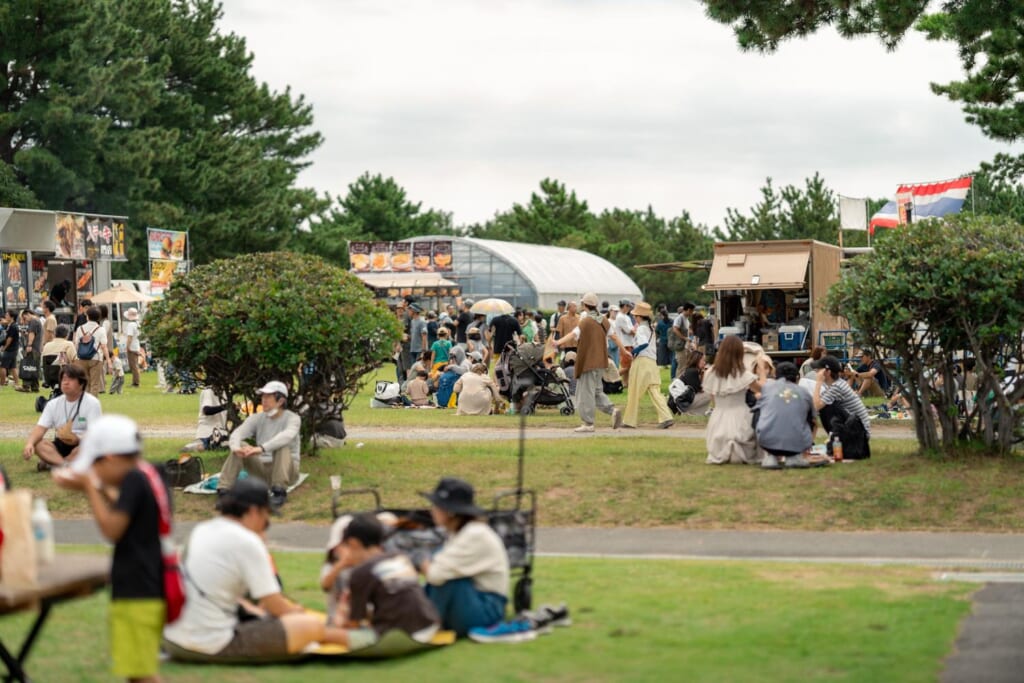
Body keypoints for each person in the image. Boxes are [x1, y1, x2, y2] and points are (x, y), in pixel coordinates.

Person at [163, 478, 352, 661]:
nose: (266, 522)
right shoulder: (246, 541)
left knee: (278, 618)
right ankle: (360, 641)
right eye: (266, 515)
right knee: (310, 625)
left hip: (173, 637)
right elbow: (274, 604)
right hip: (208, 643)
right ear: (254, 511)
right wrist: (295, 612)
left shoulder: (202, 530)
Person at [54, 414, 168, 682]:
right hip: (147, 581)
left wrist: (89, 487)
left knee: (142, 675)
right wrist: (98, 487)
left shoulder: (132, 481)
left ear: (111, 458)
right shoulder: (147, 474)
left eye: (95, 465)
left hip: (138, 587)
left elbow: (111, 530)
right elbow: (124, 507)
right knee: (136, 671)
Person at [416, 477, 509, 637]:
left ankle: (426, 623)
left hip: (487, 607)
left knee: (446, 577)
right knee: (440, 565)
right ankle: (420, 618)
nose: (432, 510)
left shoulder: (474, 534)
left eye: (436, 506)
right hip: (475, 599)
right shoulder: (460, 532)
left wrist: (417, 559)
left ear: (450, 512)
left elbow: (435, 575)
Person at [332, 514, 441, 648]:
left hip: (400, 636)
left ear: (353, 543)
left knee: (325, 633)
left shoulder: (360, 572)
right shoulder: (399, 557)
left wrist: (341, 614)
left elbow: (353, 625)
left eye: (346, 546)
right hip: (429, 626)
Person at [218, 380, 301, 510]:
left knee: (282, 446)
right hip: (262, 469)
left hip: (287, 471)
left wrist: (261, 448)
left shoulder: (293, 418)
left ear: (280, 401)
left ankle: (279, 492)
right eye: (263, 396)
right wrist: (236, 448)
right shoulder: (257, 418)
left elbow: (286, 436)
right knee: (240, 444)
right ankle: (224, 492)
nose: (263, 400)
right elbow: (237, 433)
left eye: (268, 397)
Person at [554, 292, 622, 433]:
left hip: (588, 361)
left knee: (585, 392)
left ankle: (588, 423)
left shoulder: (585, 321)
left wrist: (557, 342)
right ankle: (613, 410)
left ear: (584, 305)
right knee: (596, 391)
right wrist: (625, 351)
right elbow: (613, 336)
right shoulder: (603, 319)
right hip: (601, 361)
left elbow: (573, 334)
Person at [704, 335, 769, 465]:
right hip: (741, 414)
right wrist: (762, 371)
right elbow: (762, 389)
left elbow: (712, 397)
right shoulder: (742, 374)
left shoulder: (710, 372)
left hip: (718, 417)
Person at [23, 364, 102, 469]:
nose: (66, 382)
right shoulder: (53, 404)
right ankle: (64, 464)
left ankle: (53, 462)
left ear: (81, 383)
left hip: (81, 443)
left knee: (88, 448)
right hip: (60, 444)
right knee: (38, 444)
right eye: (63, 379)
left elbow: (96, 433)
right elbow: (40, 428)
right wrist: (30, 444)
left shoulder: (92, 403)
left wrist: (77, 438)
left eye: (71, 379)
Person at [621, 302, 674, 429]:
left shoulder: (640, 329)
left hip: (641, 362)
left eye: (635, 316)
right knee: (654, 390)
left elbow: (643, 344)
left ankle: (629, 421)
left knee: (634, 391)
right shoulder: (650, 328)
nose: (634, 317)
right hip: (652, 362)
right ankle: (666, 417)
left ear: (639, 316)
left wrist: (632, 352)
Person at [755, 362, 816, 469]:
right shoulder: (804, 392)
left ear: (775, 376)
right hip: (798, 443)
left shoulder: (767, 388)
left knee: (758, 411)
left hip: (767, 441)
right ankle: (795, 457)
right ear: (797, 377)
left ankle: (770, 457)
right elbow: (813, 420)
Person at [811, 355, 872, 460]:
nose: (816, 373)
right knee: (827, 405)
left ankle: (835, 440)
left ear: (827, 372)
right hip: (859, 430)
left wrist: (818, 382)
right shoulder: (837, 384)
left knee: (826, 408)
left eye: (819, 370)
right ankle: (834, 439)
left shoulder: (837, 387)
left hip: (859, 433)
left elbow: (816, 406)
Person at [74, 306, 111, 396]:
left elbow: (76, 344)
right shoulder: (101, 329)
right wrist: (109, 361)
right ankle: (92, 405)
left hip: (81, 359)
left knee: (85, 384)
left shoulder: (80, 329)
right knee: (95, 384)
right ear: (99, 317)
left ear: (87, 316)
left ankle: (84, 405)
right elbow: (104, 346)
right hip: (96, 359)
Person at [182, 386, 229, 452]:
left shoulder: (225, 392)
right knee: (213, 445)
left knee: (226, 444)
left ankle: (205, 445)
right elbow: (207, 410)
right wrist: (226, 406)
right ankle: (195, 446)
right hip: (208, 431)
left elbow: (222, 414)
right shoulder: (208, 391)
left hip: (221, 431)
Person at [17, 307, 42, 392]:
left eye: (24, 318)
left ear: (27, 314)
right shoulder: (37, 320)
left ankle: (26, 386)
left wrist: (29, 345)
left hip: (32, 348)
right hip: (37, 348)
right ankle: (35, 387)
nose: (25, 320)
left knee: (27, 365)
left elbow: (32, 334)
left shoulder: (33, 321)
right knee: (34, 367)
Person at [613, 300, 637, 387]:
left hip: (629, 343)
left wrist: (632, 331)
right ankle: (612, 378)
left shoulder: (626, 317)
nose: (630, 308)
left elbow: (630, 330)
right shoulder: (620, 317)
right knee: (626, 366)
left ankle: (625, 383)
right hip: (624, 343)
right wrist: (633, 331)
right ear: (625, 306)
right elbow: (629, 330)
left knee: (628, 366)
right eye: (629, 306)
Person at [123, 307, 143, 388]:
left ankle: (136, 382)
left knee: (133, 366)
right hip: (136, 346)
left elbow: (129, 337)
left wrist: (127, 347)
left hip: (132, 347)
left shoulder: (131, 325)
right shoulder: (137, 324)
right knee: (135, 365)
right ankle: (135, 381)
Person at [0, 309, 19, 387]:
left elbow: (9, 339)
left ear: (12, 317)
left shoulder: (13, 326)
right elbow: (4, 321)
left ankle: (2, 383)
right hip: (14, 349)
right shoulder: (11, 325)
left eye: (7, 315)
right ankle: (17, 383)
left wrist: (4, 347)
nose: (5, 316)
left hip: (10, 349)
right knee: (13, 367)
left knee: (3, 366)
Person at [408, 304, 427, 370]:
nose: (408, 312)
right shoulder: (412, 322)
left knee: (420, 370)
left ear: (414, 311)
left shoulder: (422, 322)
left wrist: (423, 351)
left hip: (419, 350)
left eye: (410, 310)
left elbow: (424, 337)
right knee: (413, 369)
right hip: (412, 349)